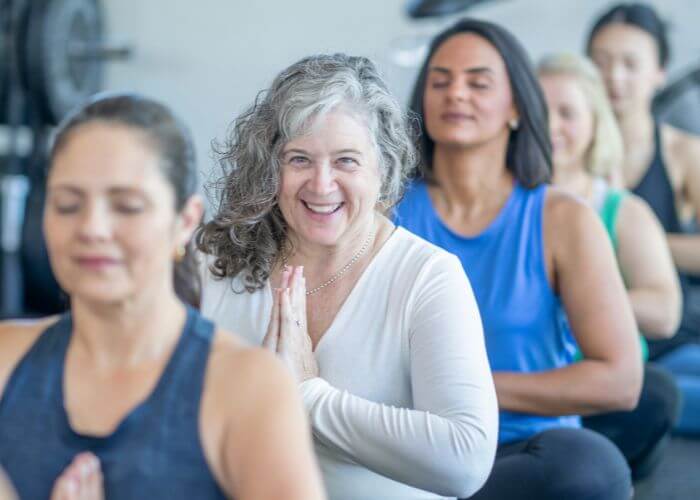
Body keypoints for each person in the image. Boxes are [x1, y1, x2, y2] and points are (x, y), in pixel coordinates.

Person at [197, 53, 498, 500]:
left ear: (384, 170)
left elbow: (465, 459)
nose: (321, 185)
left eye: (346, 161)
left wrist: (306, 396)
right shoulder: (219, 261)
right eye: (298, 159)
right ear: (270, 168)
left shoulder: (428, 276)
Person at [0, 94, 325, 500]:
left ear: (185, 220)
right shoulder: (6, 360)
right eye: (68, 205)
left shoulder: (246, 388)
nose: (92, 228)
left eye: (127, 206)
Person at [394, 18, 642, 500]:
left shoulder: (563, 220)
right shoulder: (386, 212)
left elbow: (621, 379)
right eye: (439, 81)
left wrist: (471, 390)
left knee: (592, 466)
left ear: (514, 107)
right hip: (414, 447)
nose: (456, 94)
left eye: (477, 82)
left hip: (522, 450)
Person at [538, 52, 682, 478]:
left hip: (598, 394)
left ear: (595, 124)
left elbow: (664, 312)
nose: (550, 126)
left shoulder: (622, 210)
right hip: (521, 386)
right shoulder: (499, 207)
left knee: (658, 393)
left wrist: (576, 296)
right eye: (539, 111)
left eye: (567, 113)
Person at [588, 1, 700, 436]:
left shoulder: (682, 153)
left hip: (671, 339)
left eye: (631, 64)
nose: (615, 78)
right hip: (593, 343)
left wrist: (640, 239)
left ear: (659, 71)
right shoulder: (563, 155)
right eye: (601, 62)